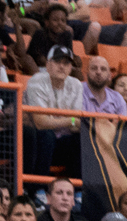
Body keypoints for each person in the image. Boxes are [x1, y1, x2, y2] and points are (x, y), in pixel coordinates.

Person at [23, 45, 83, 174]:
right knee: (47, 135)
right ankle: (39, 189)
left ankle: (76, 191)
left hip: (61, 142)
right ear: (48, 64)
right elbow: (40, 123)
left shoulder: (76, 84)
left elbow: (77, 125)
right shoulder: (36, 81)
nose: (62, 66)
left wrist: (67, 121)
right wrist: (70, 120)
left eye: (66, 63)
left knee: (81, 140)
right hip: (36, 141)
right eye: (57, 62)